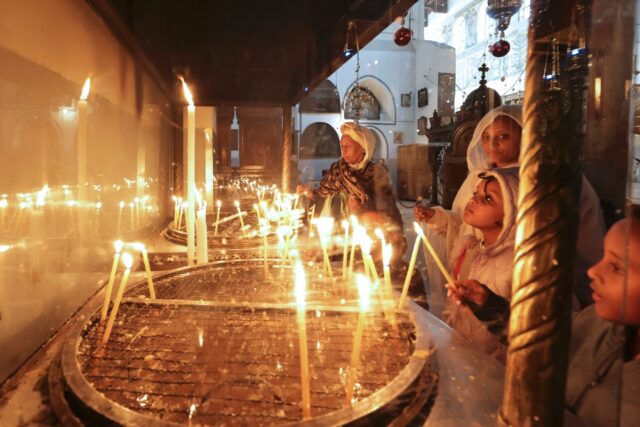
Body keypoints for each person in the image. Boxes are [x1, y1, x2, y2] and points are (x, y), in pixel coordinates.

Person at [448, 215, 640, 427]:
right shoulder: (597, 322)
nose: (594, 271)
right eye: (603, 257)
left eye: (617, 267)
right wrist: (490, 306)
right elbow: (545, 343)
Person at [415, 104, 605, 307]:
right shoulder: (479, 177)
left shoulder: (547, 179)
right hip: (476, 271)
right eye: (486, 137)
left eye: (503, 137)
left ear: (525, 136)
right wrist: (437, 218)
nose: (492, 144)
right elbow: (464, 224)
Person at [442, 168, 519, 361]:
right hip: (462, 354)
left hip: (495, 367)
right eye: (476, 194)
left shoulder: (517, 265)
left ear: (510, 213)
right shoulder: (469, 247)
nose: (473, 200)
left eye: (488, 199)